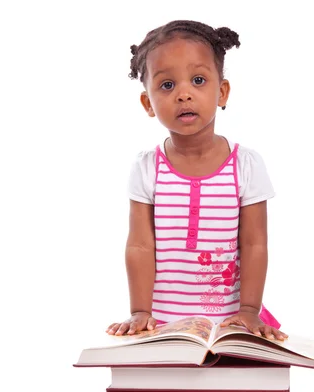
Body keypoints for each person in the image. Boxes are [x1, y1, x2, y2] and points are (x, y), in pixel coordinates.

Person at [106, 20, 287, 341]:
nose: (184, 94)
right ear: (148, 103)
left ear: (222, 91)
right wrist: (139, 312)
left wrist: (248, 310)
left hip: (230, 324)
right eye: (166, 86)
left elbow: (255, 243)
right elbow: (139, 244)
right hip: (160, 326)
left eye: (198, 80)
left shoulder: (245, 165)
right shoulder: (147, 167)